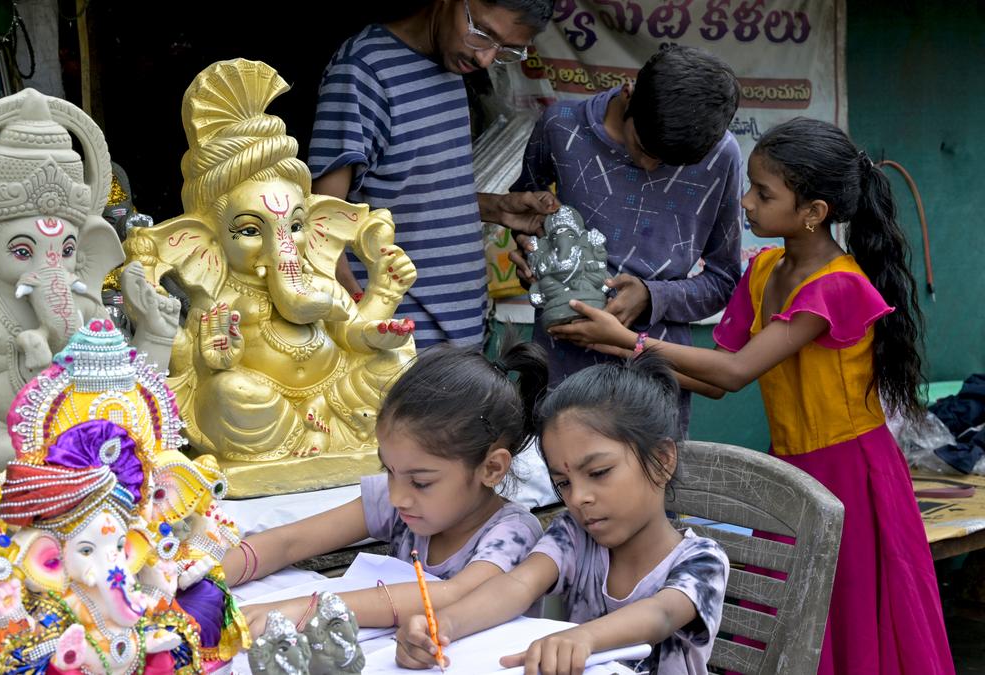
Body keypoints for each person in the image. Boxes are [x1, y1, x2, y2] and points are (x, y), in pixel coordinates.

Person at [559, 117, 954, 673]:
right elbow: (716, 380)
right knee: (792, 622)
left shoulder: (838, 286)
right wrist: (623, 353)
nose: (745, 201)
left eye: (763, 193)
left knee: (847, 620)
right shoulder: (766, 269)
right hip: (792, 468)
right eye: (750, 185)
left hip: (852, 474)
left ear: (814, 212)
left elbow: (736, 372)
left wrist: (628, 339)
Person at [396, 353, 729, 674]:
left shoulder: (702, 560)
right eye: (563, 482)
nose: (578, 497)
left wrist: (584, 637)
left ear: (662, 460)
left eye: (599, 472)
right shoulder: (574, 534)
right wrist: (444, 623)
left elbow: (661, 615)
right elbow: (517, 585)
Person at [481, 44, 743, 430]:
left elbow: (723, 282)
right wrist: (529, 254)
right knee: (549, 484)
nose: (650, 165)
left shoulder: (721, 155)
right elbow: (525, 219)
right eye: (644, 149)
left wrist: (653, 296)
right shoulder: (561, 126)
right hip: (556, 371)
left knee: (644, 488)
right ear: (628, 94)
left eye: (668, 164)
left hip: (652, 387)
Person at [221, 337, 548, 635]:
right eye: (388, 470)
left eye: (421, 482)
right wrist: (209, 576)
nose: (396, 496)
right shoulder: (405, 501)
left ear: (491, 469)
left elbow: (453, 595)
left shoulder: (513, 532)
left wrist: (305, 609)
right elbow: (290, 542)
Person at [308, 0, 554, 347]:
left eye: (506, 50)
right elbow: (322, 225)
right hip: (400, 347)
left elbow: (407, 191)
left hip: (460, 340)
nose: (485, 58)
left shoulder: (452, 66)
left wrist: (496, 208)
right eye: (482, 32)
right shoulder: (364, 71)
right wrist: (363, 323)